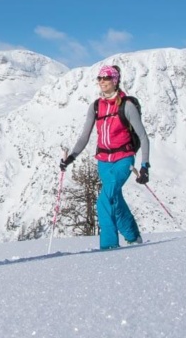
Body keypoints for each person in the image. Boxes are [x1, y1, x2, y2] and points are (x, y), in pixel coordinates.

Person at [59, 64, 150, 249]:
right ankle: (133, 236)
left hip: (123, 159)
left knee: (103, 201)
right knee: (114, 198)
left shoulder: (127, 105)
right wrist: (71, 158)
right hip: (103, 162)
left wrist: (144, 166)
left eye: (106, 78)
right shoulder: (95, 106)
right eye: (99, 78)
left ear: (115, 80)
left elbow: (143, 136)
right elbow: (85, 136)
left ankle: (109, 246)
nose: (102, 81)